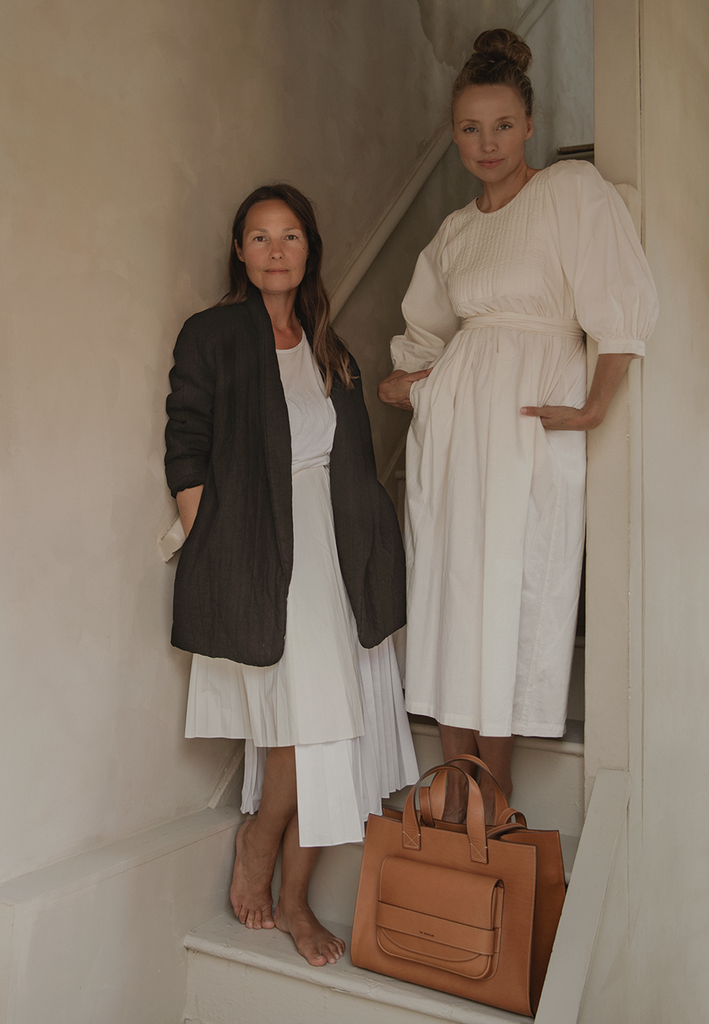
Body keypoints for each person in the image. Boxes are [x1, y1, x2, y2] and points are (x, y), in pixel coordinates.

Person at [378, 29, 658, 818]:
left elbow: (621, 303)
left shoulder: (572, 192)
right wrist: (411, 385)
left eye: (500, 125)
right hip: (455, 429)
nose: (485, 143)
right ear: (453, 133)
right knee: (447, 589)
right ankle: (450, 792)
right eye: (469, 128)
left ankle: (488, 799)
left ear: (528, 125)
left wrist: (596, 403)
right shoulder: (454, 233)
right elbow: (424, 331)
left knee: (512, 590)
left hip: (528, 420)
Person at [165, 183, 418, 966]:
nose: (276, 250)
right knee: (311, 722)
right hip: (263, 545)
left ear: (309, 249)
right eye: (259, 236)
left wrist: (375, 551)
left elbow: (350, 466)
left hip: (333, 547)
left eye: (290, 236)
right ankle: (266, 852)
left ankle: (285, 880)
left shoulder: (329, 346)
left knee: (330, 728)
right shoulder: (212, 334)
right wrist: (215, 541)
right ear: (239, 251)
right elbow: (187, 439)